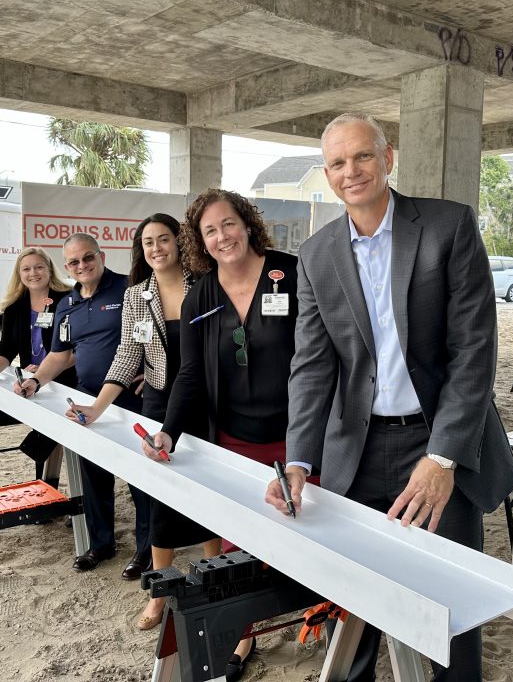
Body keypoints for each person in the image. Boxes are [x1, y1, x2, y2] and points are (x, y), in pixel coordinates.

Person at [265, 113, 513, 682]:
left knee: (449, 610)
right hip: (355, 453)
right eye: (337, 163)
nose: (350, 171)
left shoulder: (448, 227)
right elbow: (310, 368)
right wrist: (300, 461)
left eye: (362, 157)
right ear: (326, 173)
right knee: (351, 608)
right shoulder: (316, 254)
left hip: (437, 449)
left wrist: (443, 457)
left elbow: (473, 352)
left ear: (388, 157)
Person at [143, 189, 299, 681]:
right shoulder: (201, 295)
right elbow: (189, 373)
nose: (222, 236)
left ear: (247, 224)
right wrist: (169, 432)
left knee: (307, 537)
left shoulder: (292, 273)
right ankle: (244, 634)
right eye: (210, 230)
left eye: (228, 224)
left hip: (299, 439)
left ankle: (323, 619)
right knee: (237, 547)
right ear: (201, 242)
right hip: (232, 440)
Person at [71, 214, 219, 631]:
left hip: (205, 400)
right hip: (157, 397)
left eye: (164, 239)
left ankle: (214, 575)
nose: (156, 248)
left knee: (207, 488)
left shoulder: (206, 283)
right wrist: (97, 407)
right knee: (160, 493)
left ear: (180, 242)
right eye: (148, 242)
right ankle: (159, 592)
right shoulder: (137, 295)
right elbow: (128, 353)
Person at [14, 234, 151, 579]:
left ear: (101, 256)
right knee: (93, 476)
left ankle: (146, 550)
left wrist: (152, 369)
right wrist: (35, 381)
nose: (82, 266)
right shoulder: (68, 303)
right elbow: (60, 355)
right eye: (74, 262)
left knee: (140, 479)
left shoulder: (129, 287)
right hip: (87, 401)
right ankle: (102, 544)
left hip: (131, 402)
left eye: (88, 258)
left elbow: (155, 334)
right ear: (67, 267)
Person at [0, 247, 77, 389]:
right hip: (30, 383)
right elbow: (6, 348)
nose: (33, 273)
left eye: (39, 267)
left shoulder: (70, 301)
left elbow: (82, 349)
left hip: (68, 383)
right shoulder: (13, 308)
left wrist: (44, 371)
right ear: (19, 274)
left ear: (50, 270)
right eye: (26, 269)